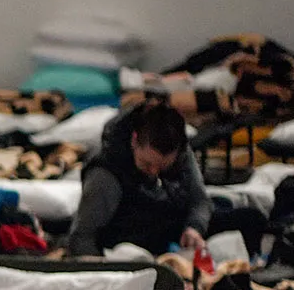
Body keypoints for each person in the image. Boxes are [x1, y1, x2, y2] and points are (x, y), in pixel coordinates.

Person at [65, 100, 210, 257]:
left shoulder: (178, 150)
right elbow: (82, 237)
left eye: (162, 167)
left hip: (166, 232)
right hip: (122, 247)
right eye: (147, 164)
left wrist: (194, 228)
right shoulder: (106, 174)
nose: (154, 172)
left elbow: (200, 200)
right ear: (134, 141)